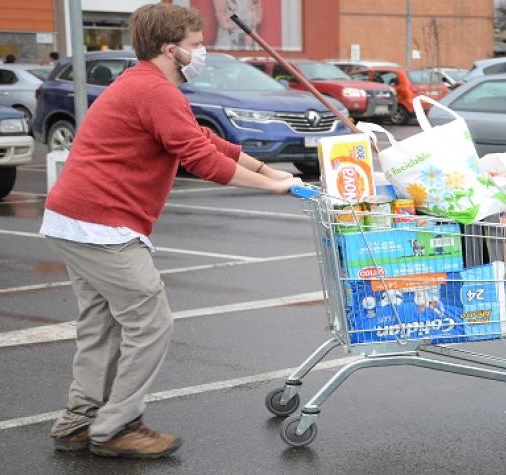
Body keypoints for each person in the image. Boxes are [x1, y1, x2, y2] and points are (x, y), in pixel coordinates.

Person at [41, 3, 301, 459]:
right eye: (197, 45)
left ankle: (79, 421)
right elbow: (199, 160)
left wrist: (270, 170)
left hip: (77, 219)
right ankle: (116, 426)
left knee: (101, 326)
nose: (203, 52)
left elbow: (201, 140)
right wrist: (270, 187)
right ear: (170, 49)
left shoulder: (145, 86)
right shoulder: (153, 91)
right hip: (101, 223)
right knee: (150, 321)